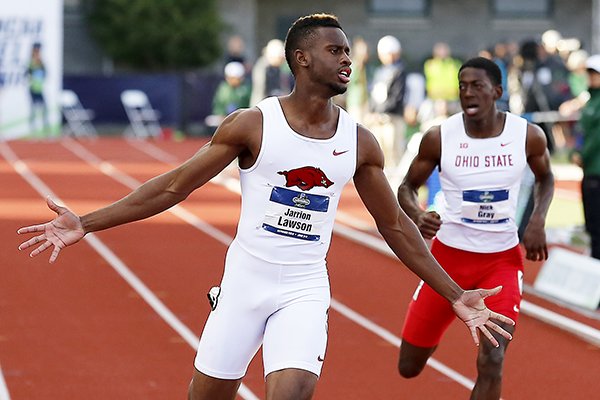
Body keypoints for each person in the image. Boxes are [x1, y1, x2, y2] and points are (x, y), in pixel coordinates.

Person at [18, 15, 515, 400]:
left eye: (349, 52)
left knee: (294, 392)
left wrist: (454, 294)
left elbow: (397, 228)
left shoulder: (359, 143)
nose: (347, 60)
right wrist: (85, 221)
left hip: (304, 287)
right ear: (301, 58)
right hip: (243, 283)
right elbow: (172, 188)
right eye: (335, 50)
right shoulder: (252, 126)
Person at [396, 57, 554, 400]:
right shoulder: (440, 137)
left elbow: (546, 177)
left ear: (497, 91)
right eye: (462, 86)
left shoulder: (526, 135)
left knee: (493, 358)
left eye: (477, 86)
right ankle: (436, 323)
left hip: (501, 262)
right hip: (447, 262)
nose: (468, 92)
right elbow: (406, 187)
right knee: (408, 365)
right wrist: (418, 213)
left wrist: (537, 219)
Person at [571, 54, 600, 259]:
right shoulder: (590, 100)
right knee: (591, 218)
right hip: (590, 169)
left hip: (596, 167)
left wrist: (583, 154)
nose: (591, 77)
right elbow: (584, 132)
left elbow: (596, 136)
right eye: (589, 72)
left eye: (595, 73)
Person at [369, 34, 407, 169]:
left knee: (393, 153)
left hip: (392, 118)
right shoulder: (380, 71)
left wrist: (383, 111)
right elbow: (374, 93)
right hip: (379, 119)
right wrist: (373, 112)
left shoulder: (399, 70)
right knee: (380, 153)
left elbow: (397, 96)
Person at [206, 61, 251, 127]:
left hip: (242, 118)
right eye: (230, 78)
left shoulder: (246, 89)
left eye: (235, 78)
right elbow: (217, 105)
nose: (233, 80)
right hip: (224, 118)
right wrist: (221, 114)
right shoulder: (223, 88)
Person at [26, 42, 49, 136]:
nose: (38, 52)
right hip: (33, 88)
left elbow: (45, 73)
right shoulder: (31, 62)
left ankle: (46, 130)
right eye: (37, 50)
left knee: (44, 109)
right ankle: (33, 130)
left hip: (39, 88)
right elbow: (28, 72)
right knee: (33, 110)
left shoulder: (41, 61)